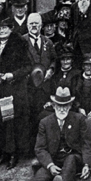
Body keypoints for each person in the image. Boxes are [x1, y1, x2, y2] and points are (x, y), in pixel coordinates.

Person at [3, 87, 91, 181]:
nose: (62, 109)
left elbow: (86, 143)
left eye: (65, 106)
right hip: (54, 158)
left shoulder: (79, 119)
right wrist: (50, 165)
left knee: (70, 160)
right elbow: (40, 148)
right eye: (59, 105)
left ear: (70, 106)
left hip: (73, 157)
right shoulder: (45, 122)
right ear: (54, 106)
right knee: (42, 174)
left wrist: (87, 164)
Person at [0, 17, 32, 168]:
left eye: (5, 27)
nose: (2, 30)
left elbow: (28, 67)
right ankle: (2, 153)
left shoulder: (19, 43)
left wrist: (12, 75)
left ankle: (13, 153)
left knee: (11, 121)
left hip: (13, 90)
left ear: (10, 29)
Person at [24, 13, 57, 149]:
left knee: (44, 116)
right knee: (30, 117)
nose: (34, 26)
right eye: (31, 23)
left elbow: (55, 60)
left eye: (36, 23)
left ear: (41, 26)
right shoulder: (22, 41)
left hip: (45, 87)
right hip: (29, 87)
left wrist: (51, 70)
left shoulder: (48, 42)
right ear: (27, 25)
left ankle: (44, 147)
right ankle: (31, 148)